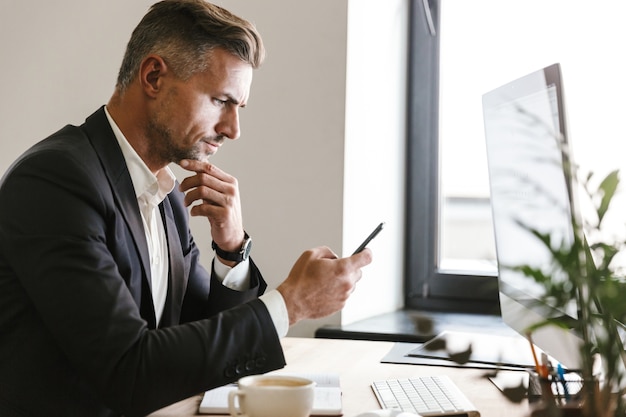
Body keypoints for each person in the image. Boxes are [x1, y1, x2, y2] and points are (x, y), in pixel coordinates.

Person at [0, 1, 372, 416]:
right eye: (220, 101)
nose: (233, 129)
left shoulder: (166, 196)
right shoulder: (55, 181)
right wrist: (292, 304)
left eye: (238, 108)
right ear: (154, 76)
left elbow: (199, 345)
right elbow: (129, 370)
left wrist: (231, 250)